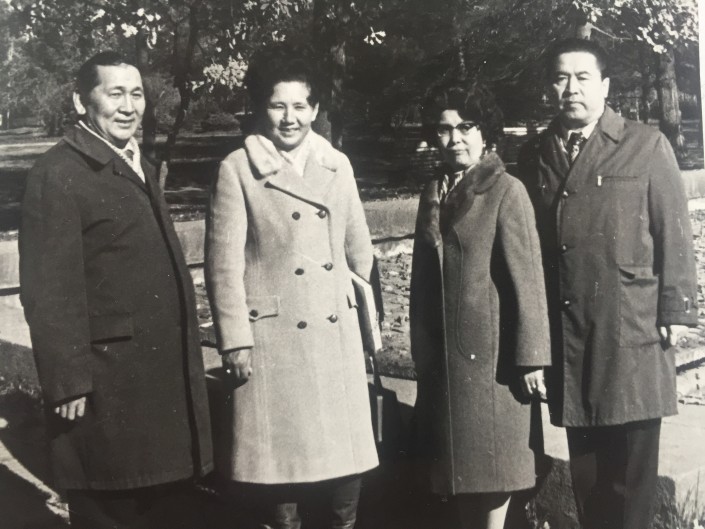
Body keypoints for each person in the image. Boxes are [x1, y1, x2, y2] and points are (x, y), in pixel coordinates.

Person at [19, 51, 213, 528]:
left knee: (159, 501)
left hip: (150, 378)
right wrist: (67, 380)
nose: (129, 107)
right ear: (81, 101)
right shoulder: (59, 173)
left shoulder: (135, 161)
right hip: (107, 381)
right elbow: (47, 288)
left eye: (137, 94)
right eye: (115, 93)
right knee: (111, 502)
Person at [517, 38, 698, 529]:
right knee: (588, 477)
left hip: (632, 328)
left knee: (630, 478)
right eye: (560, 78)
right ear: (549, 88)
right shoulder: (535, 154)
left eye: (583, 78)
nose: (571, 89)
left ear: (605, 86)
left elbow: (673, 230)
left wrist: (677, 309)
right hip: (571, 334)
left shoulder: (645, 144)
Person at [205, 48, 378, 529]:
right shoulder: (237, 168)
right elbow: (222, 265)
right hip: (273, 343)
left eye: (300, 105)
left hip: (334, 338)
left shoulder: (337, 164)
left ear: (316, 109)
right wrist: (235, 340)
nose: (289, 117)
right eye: (278, 105)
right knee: (281, 491)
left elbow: (360, 252)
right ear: (262, 107)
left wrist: (365, 325)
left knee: (343, 485)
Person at [409, 83, 551, 529]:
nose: (455, 139)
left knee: (491, 474)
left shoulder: (507, 191)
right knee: (458, 474)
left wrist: (532, 358)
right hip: (445, 362)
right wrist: (421, 348)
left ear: (485, 133)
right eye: (445, 129)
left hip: (492, 365)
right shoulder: (433, 191)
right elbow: (420, 280)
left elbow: (528, 280)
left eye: (466, 127)